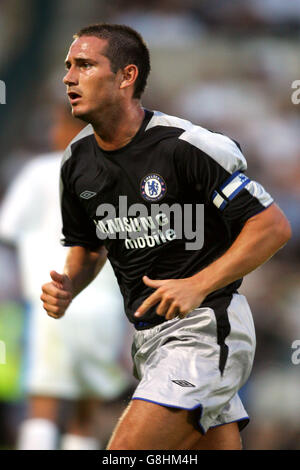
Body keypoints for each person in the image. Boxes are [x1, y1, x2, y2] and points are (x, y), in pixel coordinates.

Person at [41, 23, 291, 450]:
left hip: (204, 329)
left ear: (126, 76)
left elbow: (271, 225)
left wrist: (199, 283)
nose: (69, 77)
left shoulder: (184, 146)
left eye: (84, 64)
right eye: (68, 66)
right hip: (148, 342)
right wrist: (69, 286)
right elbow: (89, 245)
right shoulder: (77, 163)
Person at [0, 104, 130, 450]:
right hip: (105, 305)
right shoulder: (118, 176)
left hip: (51, 299)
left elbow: (8, 232)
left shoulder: (40, 171)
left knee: (43, 403)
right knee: (85, 412)